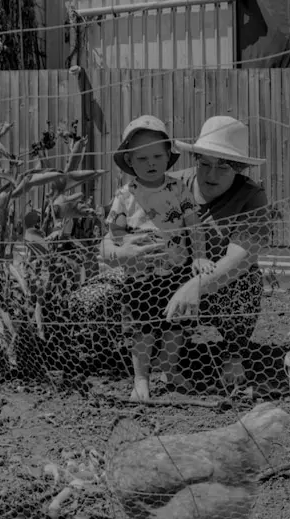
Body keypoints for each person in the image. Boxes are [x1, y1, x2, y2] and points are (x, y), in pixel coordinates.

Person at [101, 115, 271, 395]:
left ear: (239, 168)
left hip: (207, 284)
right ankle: (129, 364)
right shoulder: (165, 182)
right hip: (146, 276)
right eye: (204, 163)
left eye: (223, 166)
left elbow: (241, 257)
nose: (211, 174)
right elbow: (107, 241)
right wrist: (119, 253)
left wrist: (193, 287)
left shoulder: (250, 196)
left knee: (247, 282)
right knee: (98, 301)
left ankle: (232, 356)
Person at [103, 115, 210, 401]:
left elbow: (194, 225)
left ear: (167, 157)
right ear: (130, 161)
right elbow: (114, 231)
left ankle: (170, 369)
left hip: (176, 271)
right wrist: (125, 248)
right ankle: (141, 379)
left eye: (156, 156)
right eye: (142, 158)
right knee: (143, 329)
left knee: (176, 326)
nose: (150, 163)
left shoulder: (178, 189)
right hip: (140, 275)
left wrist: (199, 256)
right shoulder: (126, 194)